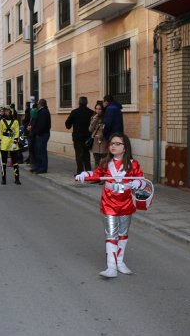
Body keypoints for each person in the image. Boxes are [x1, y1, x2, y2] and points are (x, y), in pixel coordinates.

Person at [75, 133, 144, 278]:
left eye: (118, 144)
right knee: (111, 234)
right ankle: (111, 267)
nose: (113, 146)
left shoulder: (133, 164)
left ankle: (120, 263)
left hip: (126, 202)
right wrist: (84, 175)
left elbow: (141, 180)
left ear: (125, 147)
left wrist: (137, 183)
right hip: (109, 202)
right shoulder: (105, 162)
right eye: (112, 143)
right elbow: (96, 174)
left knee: (123, 235)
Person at [65, 96, 95, 175]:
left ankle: (80, 173)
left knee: (79, 155)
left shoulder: (74, 112)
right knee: (86, 155)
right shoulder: (91, 112)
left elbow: (67, 125)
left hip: (77, 137)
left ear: (79, 102)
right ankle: (88, 172)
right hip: (87, 137)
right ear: (86, 103)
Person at [0, 106, 21, 185]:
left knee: (15, 162)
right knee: (3, 162)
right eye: (6, 111)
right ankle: (3, 179)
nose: (7, 112)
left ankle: (17, 179)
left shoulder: (15, 121)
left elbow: (17, 132)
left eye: (8, 111)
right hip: (4, 142)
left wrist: (15, 142)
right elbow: (0, 132)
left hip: (13, 143)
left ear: (11, 112)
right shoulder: (2, 121)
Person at [31, 99, 51, 174]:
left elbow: (42, 125)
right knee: (38, 151)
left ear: (40, 104)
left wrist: (36, 132)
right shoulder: (42, 111)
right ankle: (38, 166)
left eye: (38, 104)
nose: (37, 105)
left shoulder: (43, 112)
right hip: (41, 134)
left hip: (42, 134)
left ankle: (43, 168)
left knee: (42, 151)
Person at [89, 101, 107, 169]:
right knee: (96, 161)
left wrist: (102, 135)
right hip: (95, 142)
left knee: (103, 161)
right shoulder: (93, 117)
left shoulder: (106, 118)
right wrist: (93, 121)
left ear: (102, 110)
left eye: (99, 109)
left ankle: (103, 177)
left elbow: (107, 130)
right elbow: (90, 130)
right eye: (96, 109)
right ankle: (97, 177)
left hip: (103, 142)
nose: (97, 111)